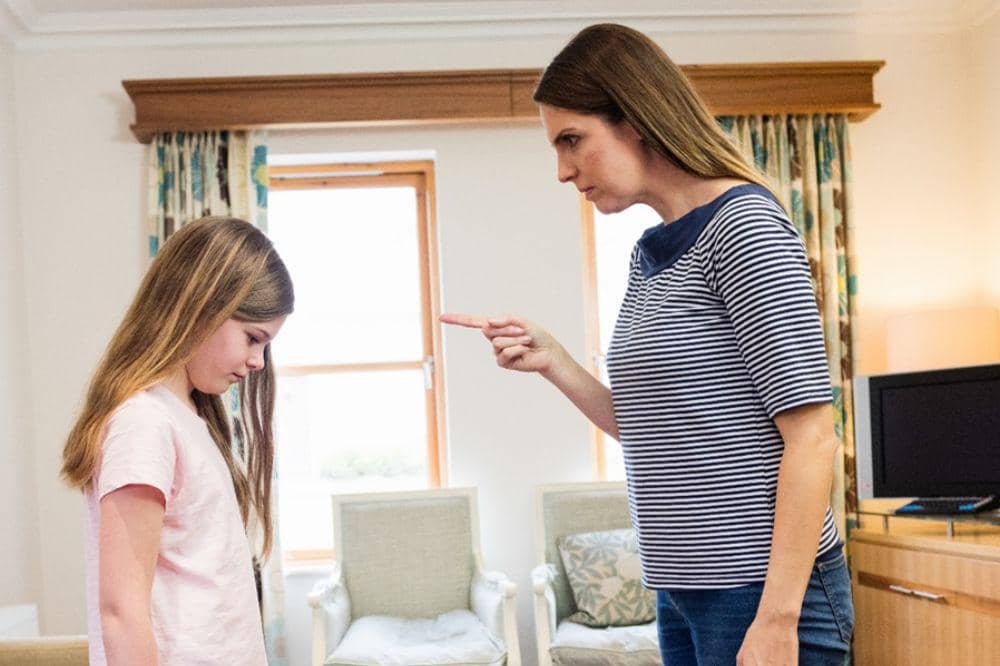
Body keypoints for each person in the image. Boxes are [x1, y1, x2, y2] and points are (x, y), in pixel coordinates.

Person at [442, 23, 854, 665]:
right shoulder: (649, 254)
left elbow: (813, 437)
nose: (562, 171)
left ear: (634, 121)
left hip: (757, 593)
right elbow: (649, 425)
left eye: (572, 140)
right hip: (681, 590)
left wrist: (778, 619)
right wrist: (554, 361)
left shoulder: (744, 227)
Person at [60, 216, 294, 665]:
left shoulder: (187, 419)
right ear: (202, 305)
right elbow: (121, 614)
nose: (259, 361)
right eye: (253, 338)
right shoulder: (144, 424)